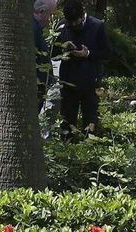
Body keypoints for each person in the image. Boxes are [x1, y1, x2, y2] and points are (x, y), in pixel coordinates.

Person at [54, 0, 109, 136]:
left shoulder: (97, 26)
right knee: (67, 122)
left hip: (90, 81)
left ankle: (89, 145)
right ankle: (67, 144)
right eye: (70, 22)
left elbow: (106, 53)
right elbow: (53, 52)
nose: (73, 25)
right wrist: (63, 49)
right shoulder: (62, 26)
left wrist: (87, 53)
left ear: (82, 15)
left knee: (90, 121)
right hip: (68, 81)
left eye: (76, 21)